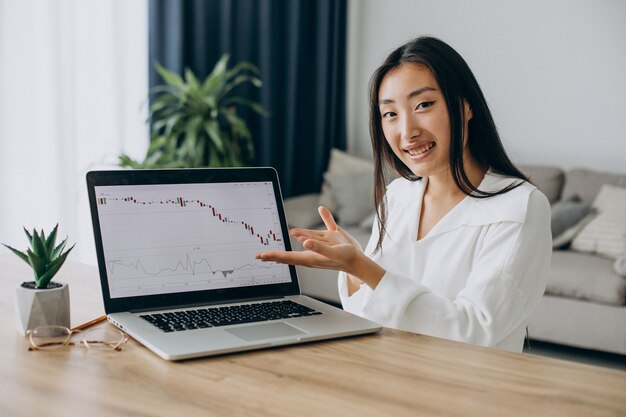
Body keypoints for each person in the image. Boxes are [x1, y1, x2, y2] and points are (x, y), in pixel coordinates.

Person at [256, 36, 551, 352]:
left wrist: (362, 267)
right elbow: (363, 316)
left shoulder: (519, 207)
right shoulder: (399, 195)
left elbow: (473, 332)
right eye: (390, 114)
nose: (407, 131)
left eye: (423, 105)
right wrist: (353, 267)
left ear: (466, 107)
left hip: (468, 393)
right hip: (388, 377)